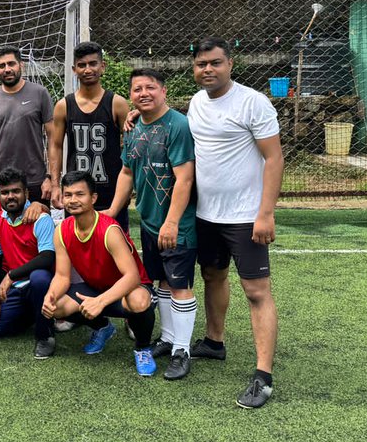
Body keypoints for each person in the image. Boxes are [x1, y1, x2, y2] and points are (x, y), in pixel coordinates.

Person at [187, 37, 283, 409]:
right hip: (206, 214)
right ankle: (214, 341)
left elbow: (273, 158)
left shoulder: (252, 102)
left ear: (230, 64)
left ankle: (263, 376)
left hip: (245, 217)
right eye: (200, 64)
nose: (207, 69)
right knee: (213, 275)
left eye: (214, 63)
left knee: (256, 291)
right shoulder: (197, 102)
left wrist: (266, 212)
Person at [107, 68, 198, 381]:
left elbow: (185, 178)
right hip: (148, 222)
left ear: (164, 91)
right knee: (160, 282)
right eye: (137, 89)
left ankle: (182, 350)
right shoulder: (132, 126)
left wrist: (172, 222)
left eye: (150, 88)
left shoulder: (178, 126)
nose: (143, 93)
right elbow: (127, 173)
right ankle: (169, 339)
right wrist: (113, 210)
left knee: (180, 286)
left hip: (175, 226)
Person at [40, 171, 159, 376]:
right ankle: (103, 327)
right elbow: (62, 276)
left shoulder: (109, 230)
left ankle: (142, 348)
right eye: (68, 195)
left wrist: (100, 302)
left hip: (126, 290)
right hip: (95, 288)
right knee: (57, 308)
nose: (73, 200)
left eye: (80, 194)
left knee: (139, 300)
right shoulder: (61, 230)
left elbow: (132, 277)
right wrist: (50, 297)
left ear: (93, 198)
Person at [0, 166, 57, 358]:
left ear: (26, 193)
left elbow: (47, 258)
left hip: (43, 284)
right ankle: (35, 315)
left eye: (16, 191)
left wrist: (11, 275)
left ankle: (45, 336)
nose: (10, 196)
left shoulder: (41, 218)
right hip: (18, 288)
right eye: (5, 192)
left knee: (39, 278)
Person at [49, 42, 130, 230]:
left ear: (102, 67)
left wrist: (127, 187)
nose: (88, 69)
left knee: (116, 250)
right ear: (74, 69)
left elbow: (130, 149)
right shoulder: (64, 105)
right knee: (78, 251)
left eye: (93, 64)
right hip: (76, 194)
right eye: (82, 65)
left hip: (112, 194)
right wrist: (55, 185)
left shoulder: (117, 103)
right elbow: (56, 146)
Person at [0, 46, 55, 205]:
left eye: (11, 64)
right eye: (2, 66)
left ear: (21, 65)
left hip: (34, 180)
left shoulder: (40, 93)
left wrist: (50, 178)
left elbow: (53, 140)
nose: (7, 69)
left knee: (35, 227)